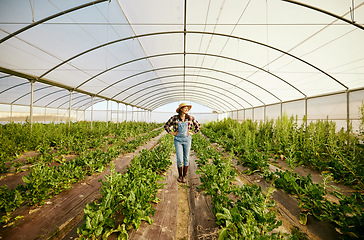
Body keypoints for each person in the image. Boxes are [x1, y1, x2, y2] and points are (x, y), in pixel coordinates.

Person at [164, 103, 201, 183]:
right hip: (178, 140)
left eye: (188, 108)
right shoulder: (174, 118)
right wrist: (172, 133)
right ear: (181, 109)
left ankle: (184, 176)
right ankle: (180, 176)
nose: (187, 109)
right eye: (185, 108)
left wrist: (193, 132)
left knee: (186, 158)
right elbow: (166, 126)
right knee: (180, 159)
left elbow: (198, 126)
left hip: (187, 140)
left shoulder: (190, 118)